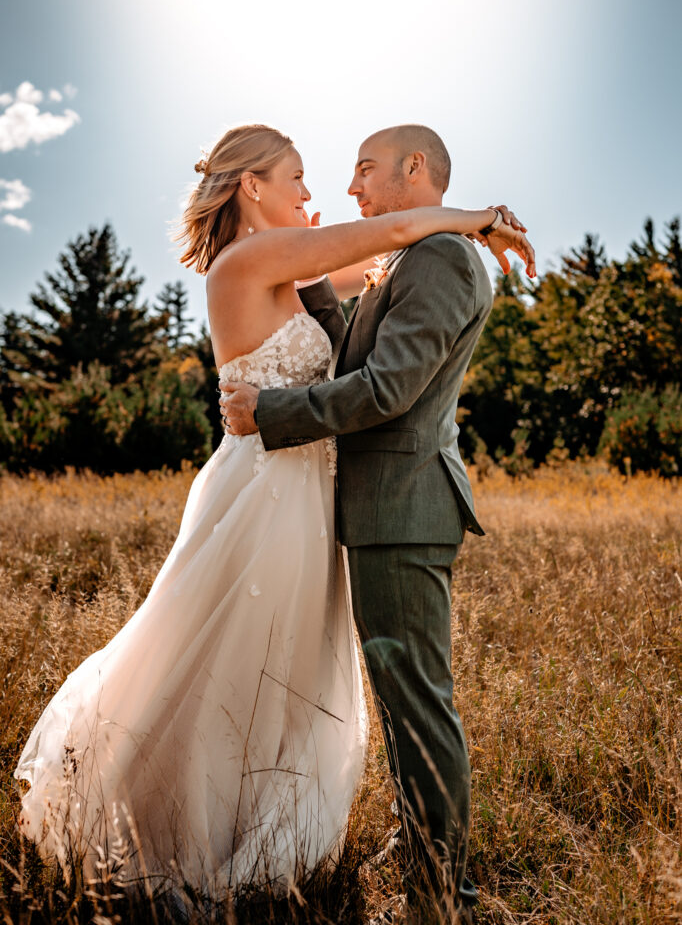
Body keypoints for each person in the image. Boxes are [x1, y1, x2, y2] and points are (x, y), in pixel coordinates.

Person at [14, 123, 532, 907]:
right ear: (252, 187)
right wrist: (475, 216)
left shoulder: (292, 270)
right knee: (227, 665)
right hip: (267, 495)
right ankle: (186, 831)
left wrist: (444, 234)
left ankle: (259, 832)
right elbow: (389, 235)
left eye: (346, 171)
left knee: (281, 674)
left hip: (311, 501)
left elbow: (374, 280)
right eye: (296, 176)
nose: (317, 191)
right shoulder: (252, 259)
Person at [219, 124, 535, 923]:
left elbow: (387, 388)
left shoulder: (439, 257)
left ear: (416, 168)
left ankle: (441, 894)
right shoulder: (414, 257)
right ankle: (418, 837)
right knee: (401, 698)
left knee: (420, 702)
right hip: (382, 509)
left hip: (404, 507)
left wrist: (275, 411)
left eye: (365, 169)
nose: (350, 188)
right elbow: (346, 345)